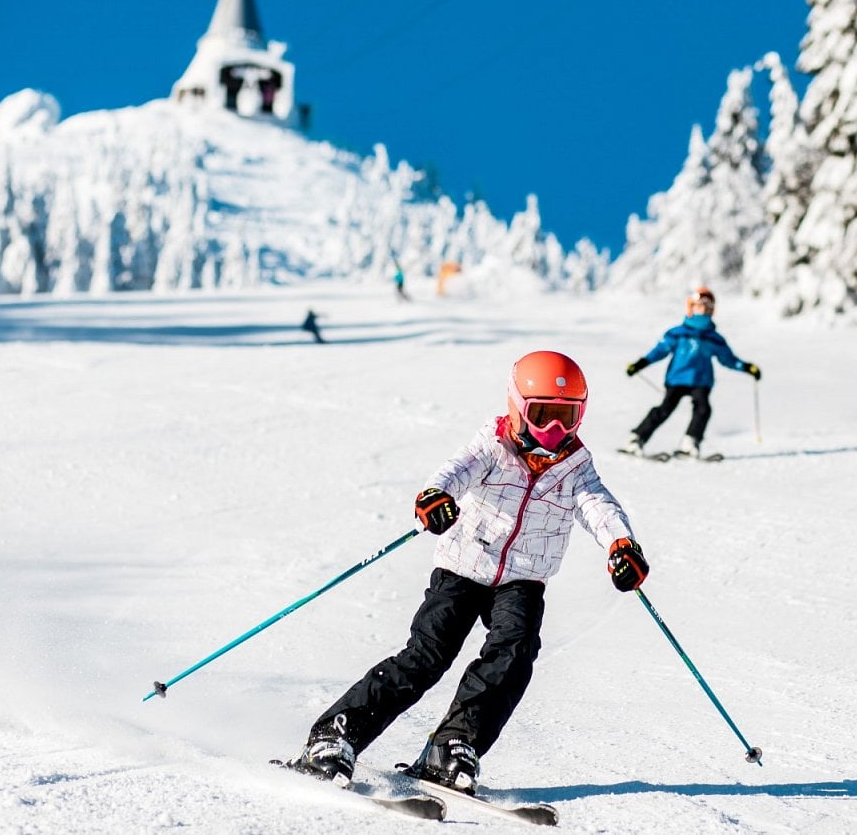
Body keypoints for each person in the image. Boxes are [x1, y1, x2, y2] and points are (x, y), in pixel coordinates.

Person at [291, 350, 649, 792]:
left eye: (565, 417)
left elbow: (599, 504)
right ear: (518, 407)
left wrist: (622, 544)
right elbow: (455, 470)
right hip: (464, 567)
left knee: (513, 656)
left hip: (522, 579)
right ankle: (335, 736)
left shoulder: (575, 465)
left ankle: (454, 745)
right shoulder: (493, 445)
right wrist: (435, 496)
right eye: (542, 415)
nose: (553, 430)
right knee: (427, 656)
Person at [622, 287, 760, 458]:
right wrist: (640, 364)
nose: (705, 309)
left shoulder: (714, 338)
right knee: (665, 409)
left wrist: (747, 367)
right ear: (691, 307)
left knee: (703, 409)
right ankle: (636, 438)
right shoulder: (678, 333)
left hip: (701, 381)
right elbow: (659, 351)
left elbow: (728, 359)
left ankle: (690, 443)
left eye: (709, 306)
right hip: (677, 379)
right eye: (700, 305)